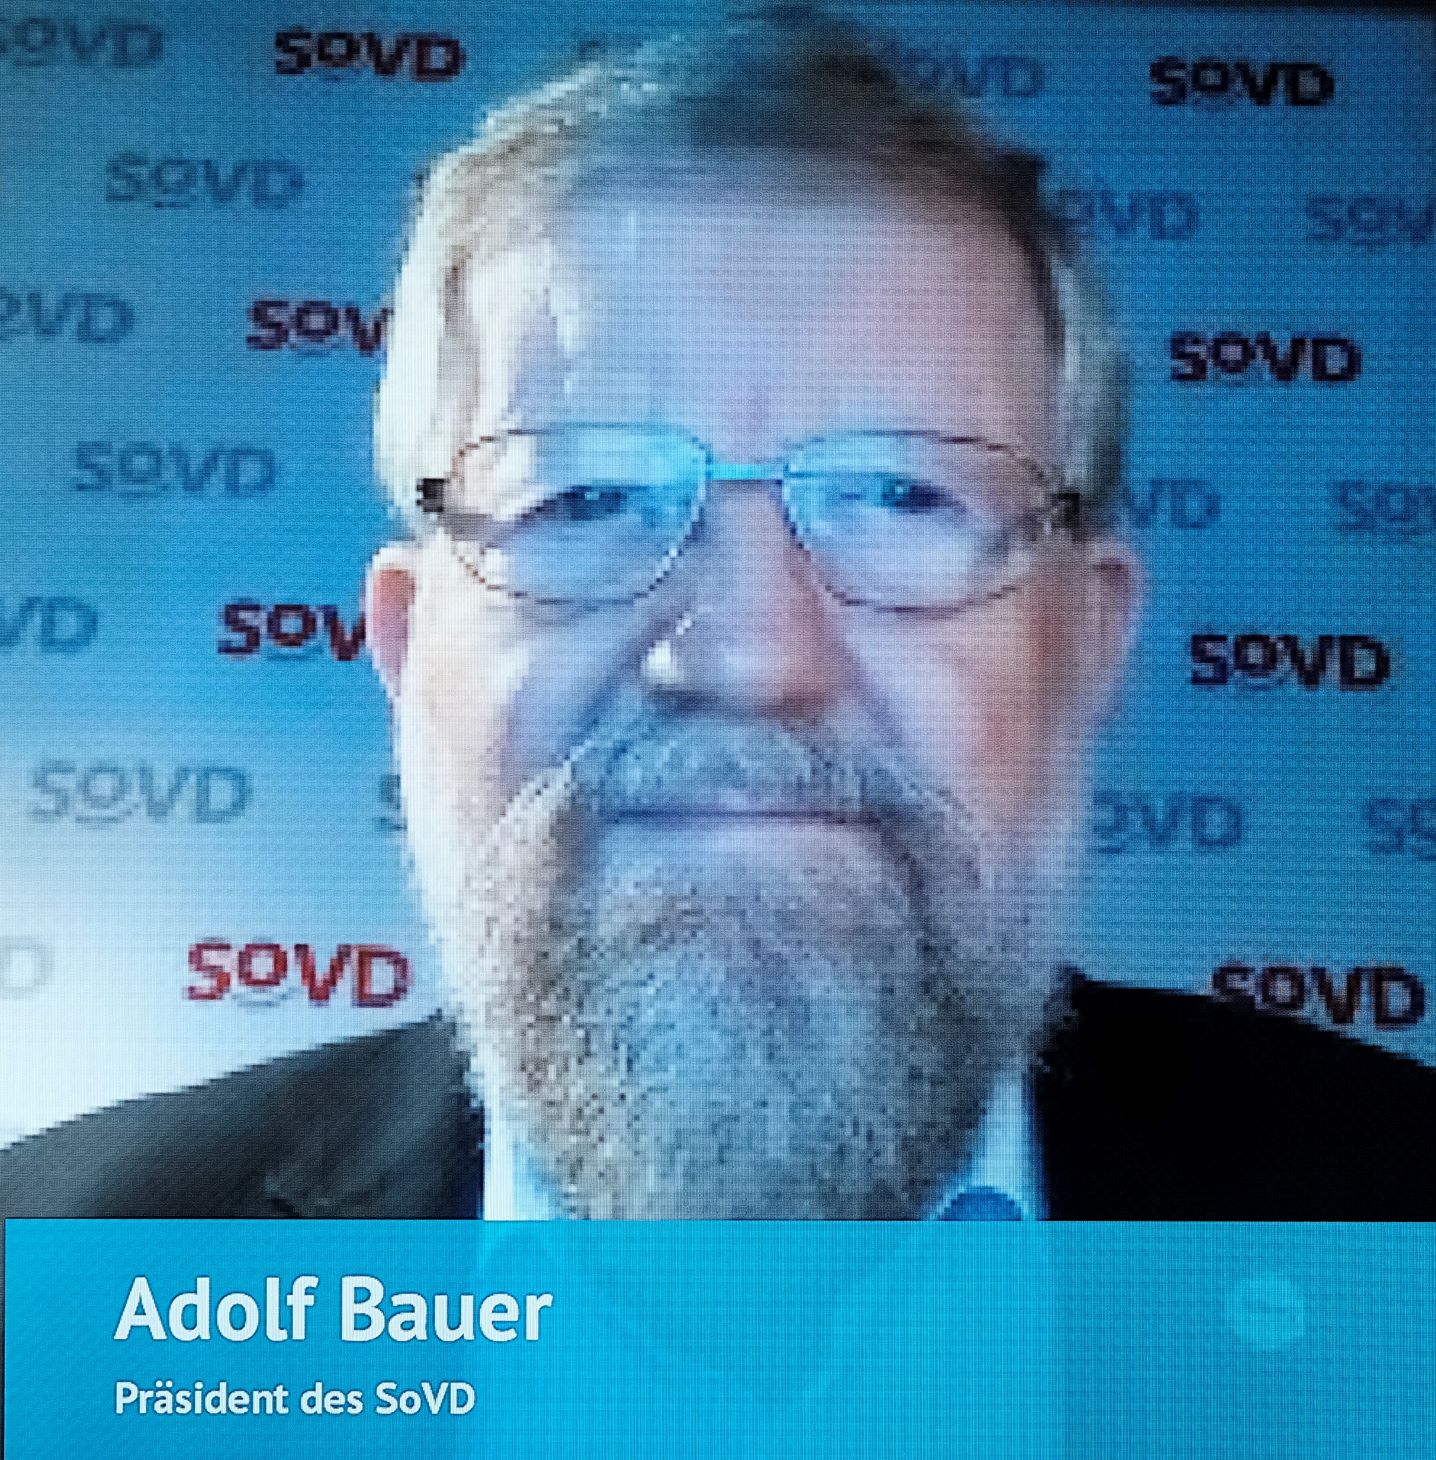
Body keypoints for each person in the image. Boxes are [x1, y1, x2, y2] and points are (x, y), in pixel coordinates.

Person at [2, 16, 1432, 1234]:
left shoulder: (1397, 1218)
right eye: (585, 498)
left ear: (1084, 640)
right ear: (408, 646)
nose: (748, 657)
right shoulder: (61, 1279)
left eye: (900, 495)